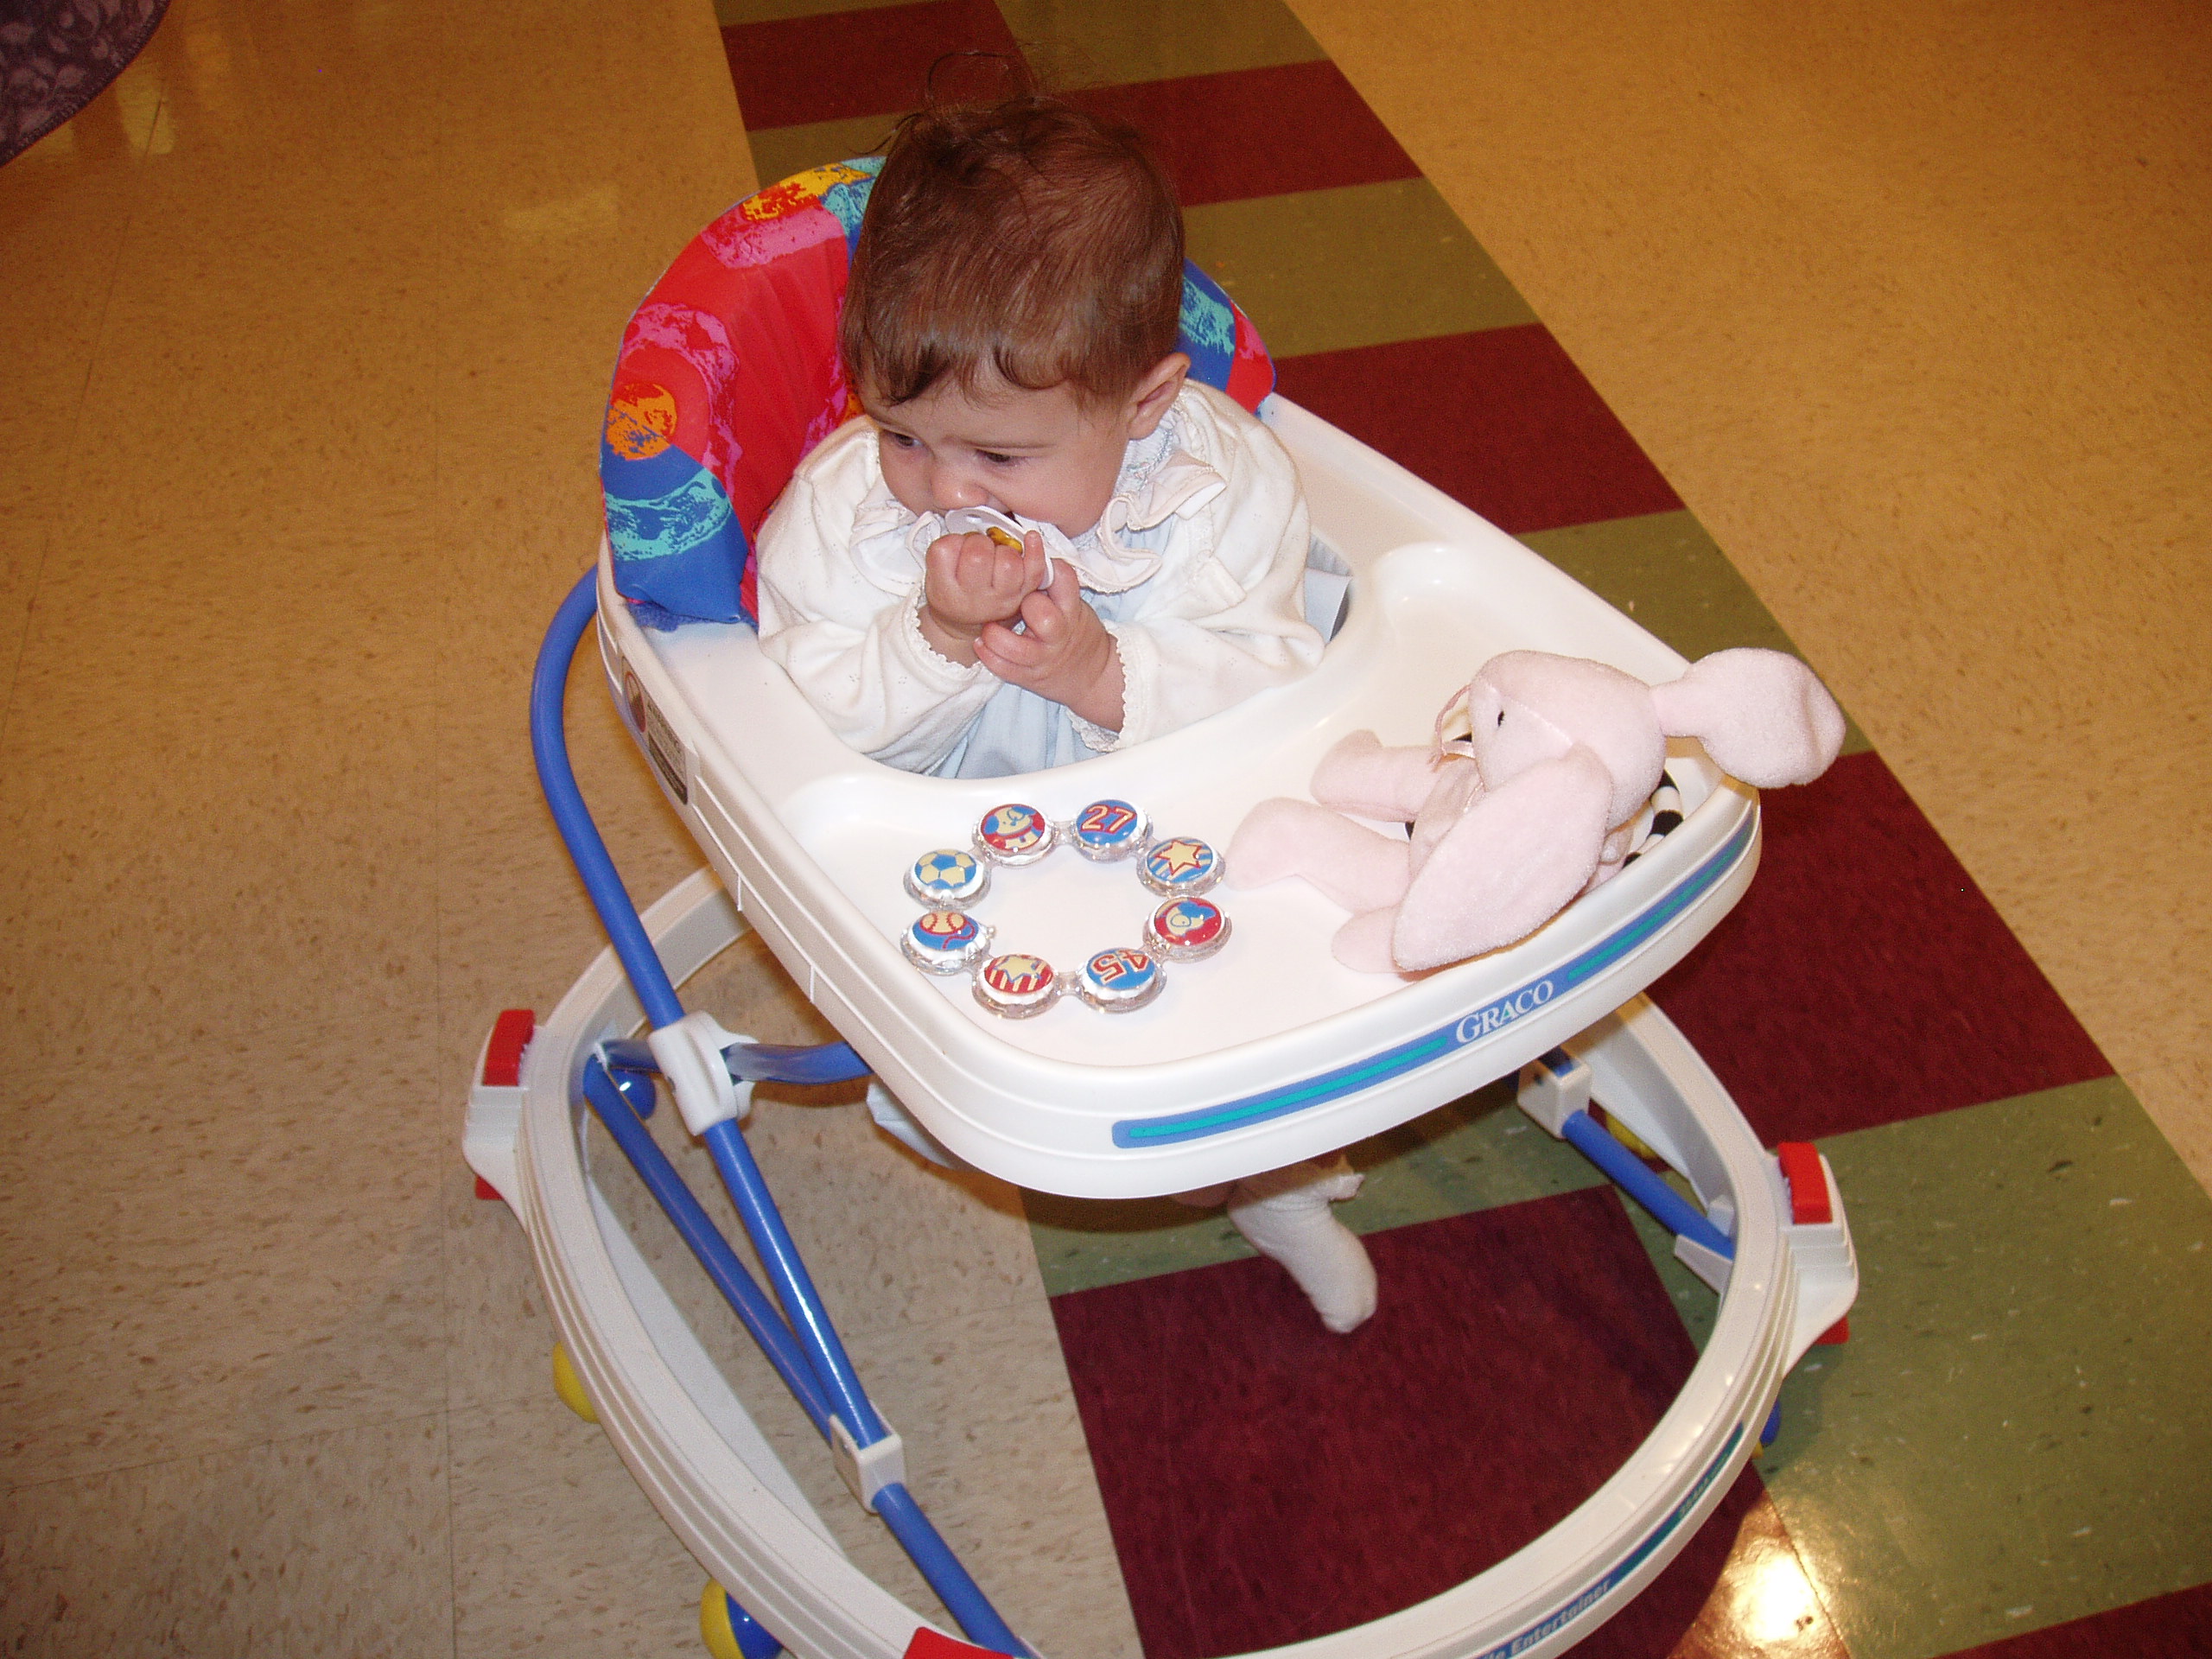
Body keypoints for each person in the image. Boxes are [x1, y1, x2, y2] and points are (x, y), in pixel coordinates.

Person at [753, 92, 1325, 779]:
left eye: (997, 455)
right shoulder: (841, 512)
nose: (946, 490)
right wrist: (939, 638)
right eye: (901, 436)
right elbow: (799, 742)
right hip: (934, 837)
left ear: (1145, 403)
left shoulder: (1220, 490)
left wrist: (1101, 674)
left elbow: (1277, 692)